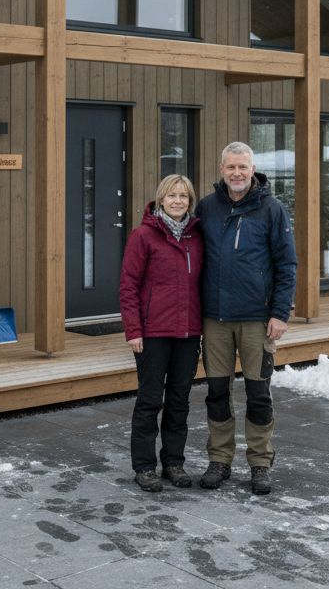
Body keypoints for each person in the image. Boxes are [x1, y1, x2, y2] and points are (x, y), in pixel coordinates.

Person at [196, 141, 296, 495]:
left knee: (258, 393)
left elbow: (287, 265)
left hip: (257, 318)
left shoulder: (272, 210)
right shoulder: (207, 208)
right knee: (217, 392)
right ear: (221, 169)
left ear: (252, 169)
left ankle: (259, 463)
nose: (236, 173)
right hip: (216, 319)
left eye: (242, 167)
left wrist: (280, 313)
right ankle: (220, 459)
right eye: (230, 167)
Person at [119, 174, 204, 493]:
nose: (178, 201)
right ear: (161, 199)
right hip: (152, 332)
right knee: (150, 399)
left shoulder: (197, 237)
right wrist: (133, 329)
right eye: (172, 195)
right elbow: (128, 286)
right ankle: (144, 466)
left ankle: (173, 462)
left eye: (184, 196)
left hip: (188, 332)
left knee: (179, 401)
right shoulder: (144, 236)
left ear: (190, 201)